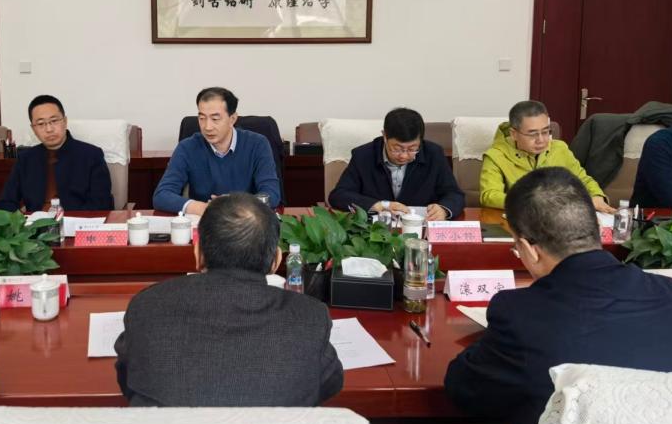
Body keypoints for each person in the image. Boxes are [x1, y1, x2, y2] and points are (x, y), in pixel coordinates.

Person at [445, 168, 672, 424]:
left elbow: (463, 390)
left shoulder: (521, 313)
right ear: (593, 227)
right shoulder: (671, 295)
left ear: (529, 249)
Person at [114, 193, 342, 406]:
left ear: (198, 254)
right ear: (276, 261)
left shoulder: (148, 307)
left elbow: (128, 379)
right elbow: (329, 384)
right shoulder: (309, 318)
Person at [152, 87, 280, 215]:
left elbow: (271, 194)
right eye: (202, 118)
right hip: (204, 221)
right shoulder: (187, 147)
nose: (207, 127)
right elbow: (162, 195)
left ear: (232, 119)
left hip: (247, 220)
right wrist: (202, 208)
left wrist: (235, 204)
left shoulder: (257, 144)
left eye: (215, 119)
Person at [480, 100, 615, 213]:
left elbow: (583, 180)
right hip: (519, 220)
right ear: (514, 134)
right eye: (533, 134)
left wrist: (596, 196)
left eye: (545, 132)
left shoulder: (560, 149)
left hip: (559, 219)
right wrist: (532, 203)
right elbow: (489, 195)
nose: (541, 140)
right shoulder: (496, 155)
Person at [328, 107, 464, 219]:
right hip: (376, 231)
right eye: (397, 148)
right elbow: (338, 195)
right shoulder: (363, 156)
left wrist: (443, 209)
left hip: (420, 228)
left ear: (421, 141)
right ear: (384, 136)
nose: (404, 155)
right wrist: (378, 205)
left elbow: (454, 194)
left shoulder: (434, 154)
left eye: (412, 149)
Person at [0, 94, 114, 212]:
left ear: (65, 121)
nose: (49, 129)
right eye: (41, 124)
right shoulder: (25, 159)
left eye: (54, 121)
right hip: (35, 223)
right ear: (33, 129)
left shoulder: (92, 156)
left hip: (78, 222)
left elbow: (101, 204)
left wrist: (68, 219)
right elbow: (6, 202)